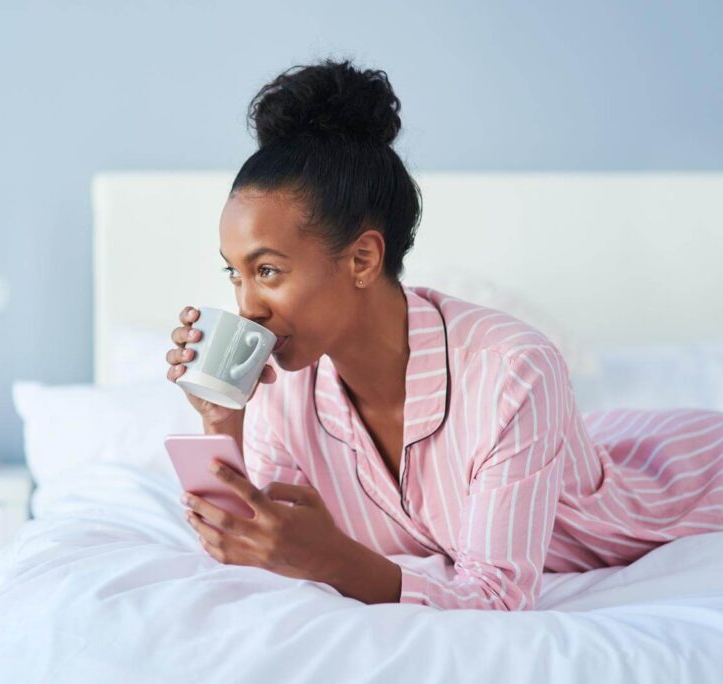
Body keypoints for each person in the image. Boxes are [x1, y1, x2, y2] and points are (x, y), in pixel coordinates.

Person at [164, 58, 723, 610]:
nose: (246, 306)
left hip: (685, 487)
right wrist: (220, 415)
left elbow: (497, 599)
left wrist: (338, 561)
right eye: (233, 274)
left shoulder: (511, 369)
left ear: (362, 257)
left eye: (267, 271)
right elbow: (258, 539)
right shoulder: (287, 386)